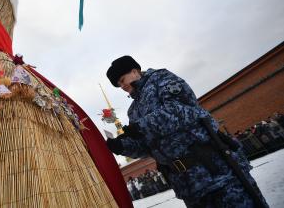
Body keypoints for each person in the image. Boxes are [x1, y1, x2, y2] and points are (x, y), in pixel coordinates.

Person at [105, 55, 268, 207]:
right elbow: (147, 147)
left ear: (134, 71)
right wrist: (123, 146)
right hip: (190, 187)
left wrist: (139, 128)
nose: (122, 86)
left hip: (217, 172)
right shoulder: (133, 111)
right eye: (119, 85)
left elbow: (181, 111)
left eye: (122, 80)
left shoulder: (161, 79)